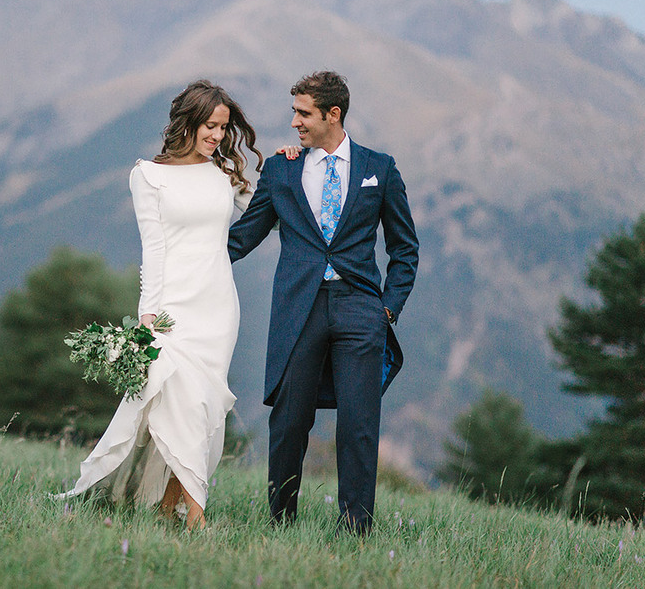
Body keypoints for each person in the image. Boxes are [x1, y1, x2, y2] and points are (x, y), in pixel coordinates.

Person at [61, 80, 263, 530]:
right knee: (179, 404)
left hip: (218, 306)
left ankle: (170, 503)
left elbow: (266, 207)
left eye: (223, 128)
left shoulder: (224, 174)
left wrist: (287, 167)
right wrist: (147, 311)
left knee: (204, 406)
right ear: (187, 123)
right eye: (209, 125)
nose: (216, 135)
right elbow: (152, 247)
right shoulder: (148, 176)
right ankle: (196, 516)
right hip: (173, 307)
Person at [228, 71, 418, 534]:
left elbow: (404, 249)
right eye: (295, 112)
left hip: (360, 310)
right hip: (299, 309)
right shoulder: (282, 169)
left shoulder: (382, 168)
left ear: (333, 114)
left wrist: (386, 309)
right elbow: (241, 239)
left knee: (359, 425)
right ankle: (280, 521)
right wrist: (185, 261)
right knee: (290, 421)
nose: (294, 122)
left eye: (303, 113)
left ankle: (355, 529)